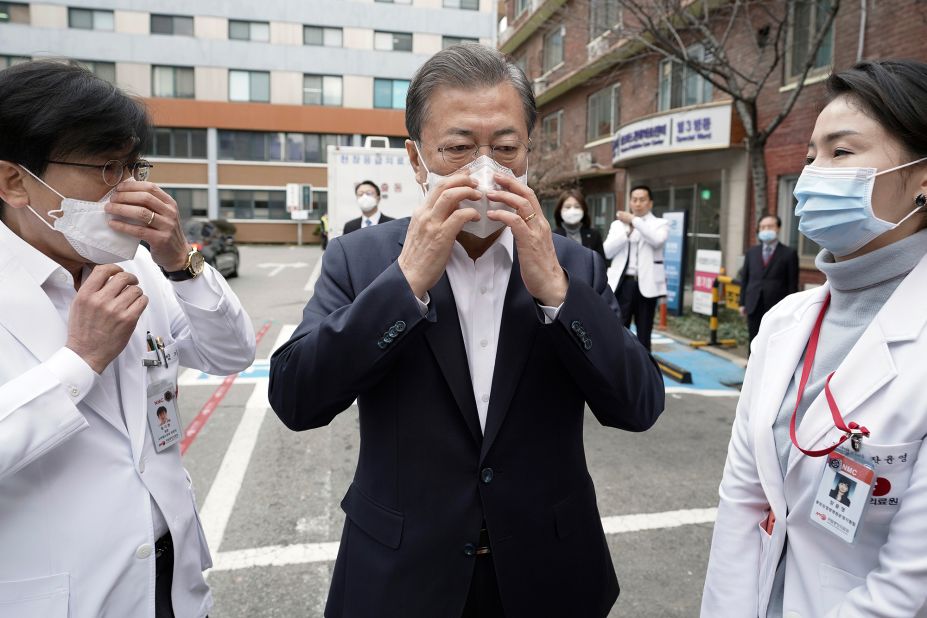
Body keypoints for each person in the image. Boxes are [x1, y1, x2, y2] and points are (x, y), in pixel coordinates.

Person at [269, 44, 665, 618]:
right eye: (458, 149)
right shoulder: (360, 259)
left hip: (548, 574)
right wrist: (405, 283)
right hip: (402, 576)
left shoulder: (571, 265)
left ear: (528, 153)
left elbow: (640, 404)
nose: (485, 169)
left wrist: (556, 293)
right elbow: (297, 397)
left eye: (505, 149)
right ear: (415, 158)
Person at [0, 61, 256, 618]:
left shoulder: (137, 263)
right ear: (15, 181)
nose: (132, 191)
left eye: (134, 167)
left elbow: (231, 353)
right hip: (60, 596)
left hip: (170, 579)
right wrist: (79, 363)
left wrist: (180, 263)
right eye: (104, 168)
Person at [702, 60, 927, 618]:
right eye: (809, 158)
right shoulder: (785, 324)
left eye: (841, 153)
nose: (812, 177)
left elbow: (908, 587)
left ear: (922, 179)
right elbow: (743, 503)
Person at [603, 185, 669, 350]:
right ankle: (619, 369)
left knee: (644, 333)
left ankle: (644, 372)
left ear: (650, 203)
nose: (638, 203)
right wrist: (626, 233)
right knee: (618, 329)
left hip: (647, 285)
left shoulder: (660, 224)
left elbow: (656, 240)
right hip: (624, 283)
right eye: (634, 200)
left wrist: (634, 221)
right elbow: (607, 251)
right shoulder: (618, 225)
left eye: (642, 200)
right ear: (630, 202)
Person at [739, 214, 799, 346]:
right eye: (762, 227)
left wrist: (791, 308)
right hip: (753, 303)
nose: (766, 230)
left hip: (777, 306)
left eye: (770, 226)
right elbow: (745, 279)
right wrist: (742, 303)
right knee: (753, 340)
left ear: (778, 228)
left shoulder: (789, 253)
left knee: (774, 342)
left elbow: (792, 284)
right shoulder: (751, 252)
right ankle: (751, 366)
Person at [552, 189, 605, 260]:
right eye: (567, 207)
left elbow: (601, 262)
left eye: (577, 207)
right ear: (560, 210)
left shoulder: (594, 235)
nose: (572, 210)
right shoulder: (552, 236)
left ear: (584, 209)